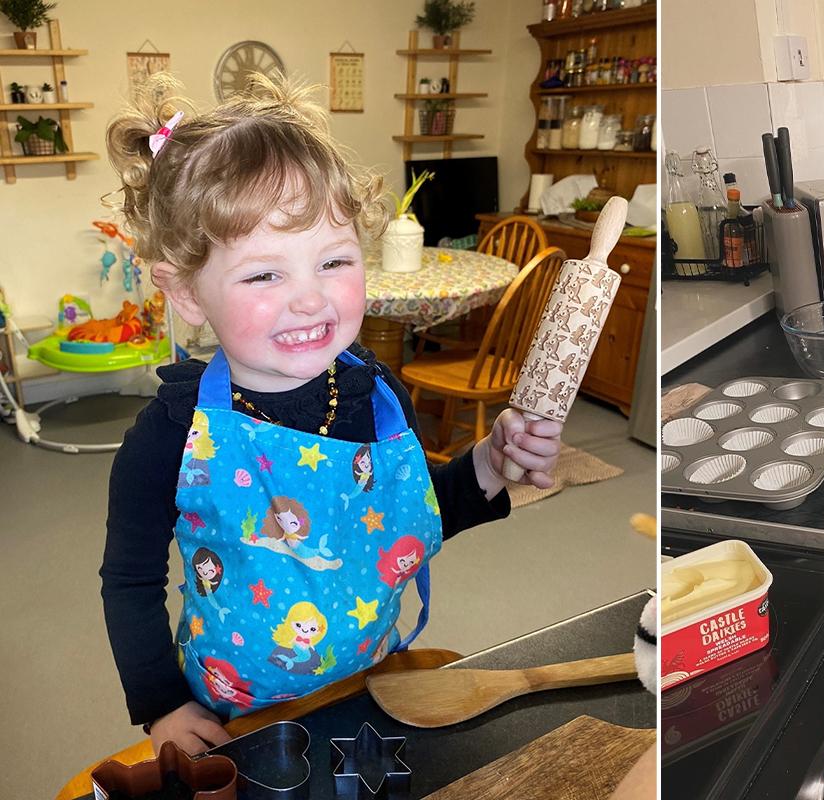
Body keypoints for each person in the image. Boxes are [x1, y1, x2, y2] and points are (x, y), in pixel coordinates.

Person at [100, 73, 562, 755]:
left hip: (370, 684)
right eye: (264, 273)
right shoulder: (170, 435)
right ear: (188, 292)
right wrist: (160, 705)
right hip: (234, 714)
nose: (311, 300)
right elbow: (130, 582)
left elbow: (415, 517)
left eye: (334, 261)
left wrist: (490, 465)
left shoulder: (376, 395)